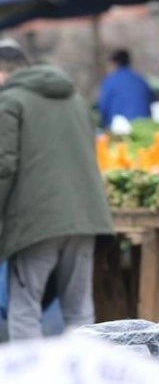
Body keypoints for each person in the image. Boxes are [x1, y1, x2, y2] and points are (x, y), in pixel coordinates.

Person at [0, 41, 114, 340]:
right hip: (86, 217)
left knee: (24, 309)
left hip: (36, 221)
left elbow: (4, 166)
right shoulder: (75, 99)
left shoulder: (10, 102)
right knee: (79, 310)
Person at [98, 49, 154, 128]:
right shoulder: (141, 80)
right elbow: (151, 100)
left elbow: (103, 107)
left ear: (115, 63)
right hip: (143, 125)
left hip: (119, 128)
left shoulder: (110, 81)